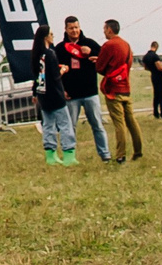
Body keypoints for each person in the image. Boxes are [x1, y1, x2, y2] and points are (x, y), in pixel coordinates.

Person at [53, 16, 112, 161]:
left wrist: (92, 53)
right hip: (71, 95)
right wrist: (62, 90)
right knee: (69, 127)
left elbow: (104, 59)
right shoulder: (60, 48)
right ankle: (69, 155)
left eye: (76, 27)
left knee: (97, 125)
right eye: (71, 28)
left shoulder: (90, 43)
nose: (74, 31)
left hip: (90, 93)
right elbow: (54, 71)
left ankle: (105, 155)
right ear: (66, 29)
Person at [29, 26, 78, 165]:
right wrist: (62, 69)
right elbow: (55, 77)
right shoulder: (50, 54)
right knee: (65, 124)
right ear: (46, 37)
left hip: (43, 96)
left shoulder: (37, 55)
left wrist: (35, 92)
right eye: (51, 34)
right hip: (55, 95)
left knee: (48, 125)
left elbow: (37, 76)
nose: (53, 36)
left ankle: (50, 155)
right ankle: (69, 154)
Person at [98, 20, 143, 162]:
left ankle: (120, 155)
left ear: (110, 29)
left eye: (105, 28)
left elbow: (99, 67)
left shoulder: (108, 45)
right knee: (131, 121)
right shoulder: (126, 45)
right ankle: (138, 151)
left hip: (113, 90)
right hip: (125, 88)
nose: (104, 31)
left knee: (119, 124)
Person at [141, 41, 162, 119]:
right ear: (156, 47)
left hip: (153, 76)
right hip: (159, 77)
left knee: (156, 95)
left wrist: (152, 69)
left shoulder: (145, 57)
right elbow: (159, 68)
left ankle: (155, 113)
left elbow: (145, 68)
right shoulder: (155, 56)